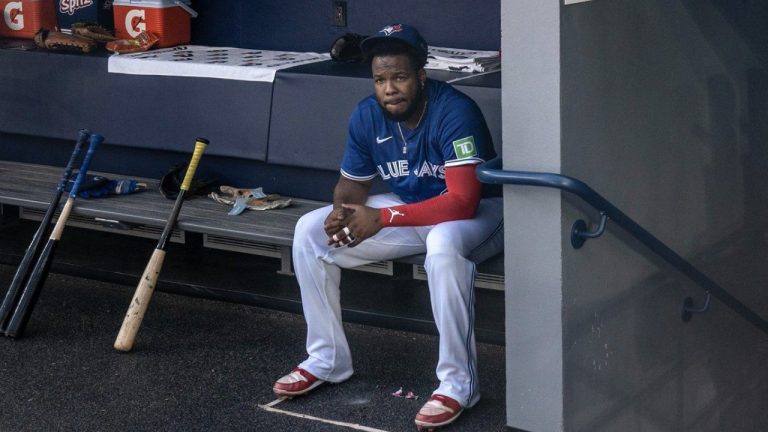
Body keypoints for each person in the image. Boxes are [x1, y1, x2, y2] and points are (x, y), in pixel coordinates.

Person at [273, 23, 504, 430]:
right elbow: (354, 182)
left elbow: (462, 201)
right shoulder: (367, 115)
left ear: (420, 76)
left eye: (398, 77)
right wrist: (342, 211)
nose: (389, 88)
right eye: (380, 79)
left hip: (480, 215)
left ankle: (458, 384)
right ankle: (327, 360)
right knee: (309, 231)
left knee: (444, 247)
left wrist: (381, 217)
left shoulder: (455, 110)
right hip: (414, 209)